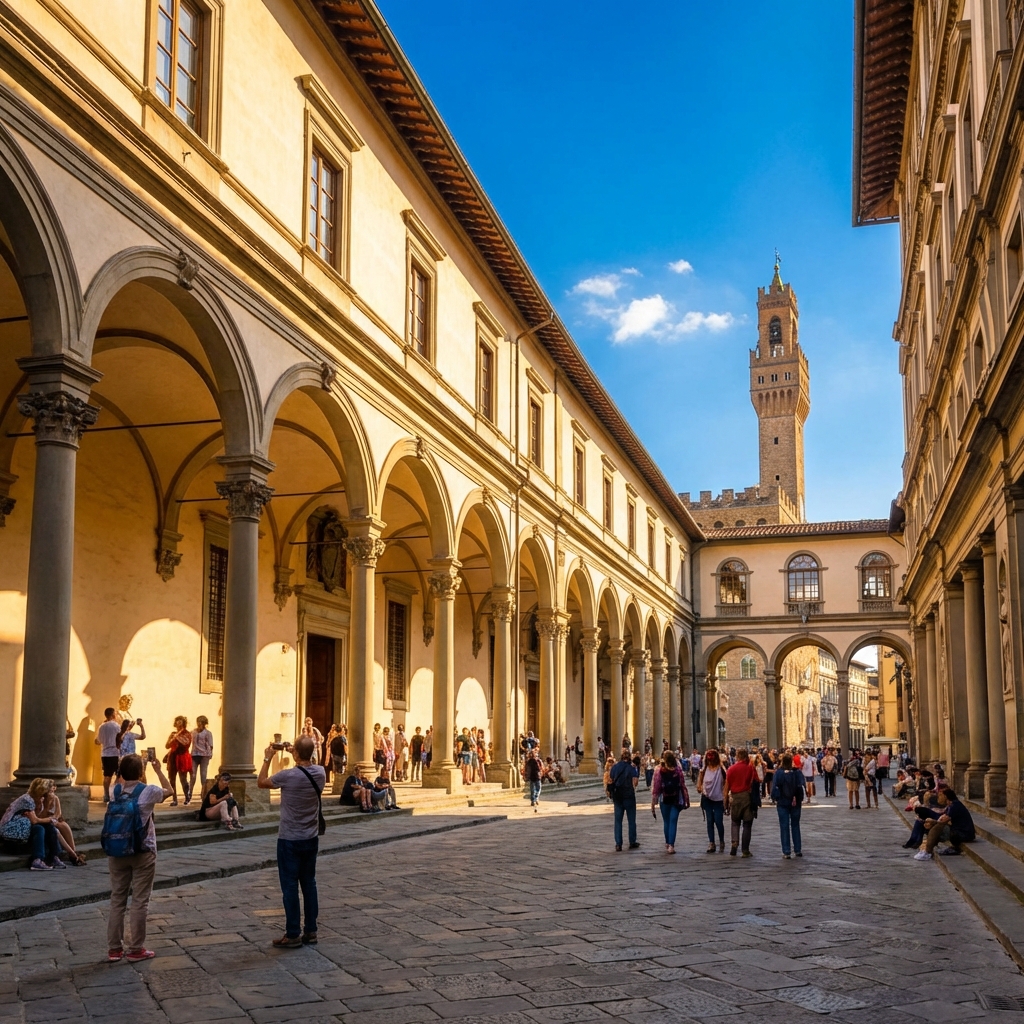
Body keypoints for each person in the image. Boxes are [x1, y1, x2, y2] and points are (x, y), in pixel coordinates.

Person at [258, 735, 325, 948]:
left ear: (295, 753)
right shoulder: (321, 773)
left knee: (289, 887)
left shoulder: (287, 776)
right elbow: (307, 761)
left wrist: (268, 758)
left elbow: (261, 782)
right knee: (309, 884)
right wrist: (296, 751)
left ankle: (293, 933)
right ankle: (311, 931)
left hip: (289, 838)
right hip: (311, 837)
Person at [105, 752, 172, 962]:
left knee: (117, 899)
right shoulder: (149, 791)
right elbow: (169, 790)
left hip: (117, 850)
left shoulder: (113, 791)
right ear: (141, 772)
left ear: (121, 772)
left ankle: (114, 949)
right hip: (143, 851)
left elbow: (119, 782)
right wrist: (158, 769)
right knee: (140, 901)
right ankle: (136, 949)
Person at [0, 778, 62, 870]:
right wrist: (49, 819)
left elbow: (40, 818)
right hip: (11, 827)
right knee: (40, 828)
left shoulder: (39, 800)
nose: (48, 794)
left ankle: (53, 856)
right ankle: (37, 860)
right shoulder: (27, 800)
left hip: (23, 826)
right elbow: (35, 821)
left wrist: (47, 806)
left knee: (48, 827)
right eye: (46, 791)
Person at [917, 787, 976, 860]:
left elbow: (943, 821)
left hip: (964, 834)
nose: (938, 797)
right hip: (960, 832)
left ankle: (928, 851)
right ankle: (927, 849)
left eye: (940, 795)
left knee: (937, 827)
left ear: (945, 796)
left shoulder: (955, 806)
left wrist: (933, 822)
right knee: (933, 825)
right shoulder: (951, 805)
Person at [41, 779, 87, 865]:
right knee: (57, 827)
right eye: (50, 788)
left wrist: (55, 818)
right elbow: (42, 814)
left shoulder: (56, 798)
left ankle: (73, 851)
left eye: (53, 787)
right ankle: (73, 854)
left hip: (55, 819)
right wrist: (48, 805)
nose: (52, 789)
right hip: (46, 819)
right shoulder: (42, 799)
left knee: (64, 825)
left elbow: (58, 813)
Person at [724, 747, 758, 857]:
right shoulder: (750, 768)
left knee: (735, 822)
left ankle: (734, 844)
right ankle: (745, 850)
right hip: (746, 796)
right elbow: (756, 781)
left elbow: (727, 787)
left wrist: (725, 801)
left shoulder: (731, 769)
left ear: (737, 756)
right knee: (747, 824)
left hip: (735, 797)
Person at [771, 753, 805, 858]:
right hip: (795, 801)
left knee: (784, 826)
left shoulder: (779, 773)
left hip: (782, 802)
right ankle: (798, 849)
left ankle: (786, 851)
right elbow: (802, 784)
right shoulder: (797, 772)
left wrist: (774, 798)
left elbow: (774, 787)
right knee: (795, 825)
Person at [651, 751, 686, 854]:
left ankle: (667, 843)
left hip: (664, 798)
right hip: (675, 798)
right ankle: (671, 845)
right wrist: (684, 798)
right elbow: (682, 785)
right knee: (673, 821)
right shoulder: (678, 770)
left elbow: (656, 788)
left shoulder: (658, 770)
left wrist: (654, 801)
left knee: (666, 821)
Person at [608, 749, 640, 851]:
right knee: (631, 820)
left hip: (617, 796)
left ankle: (618, 843)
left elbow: (610, 780)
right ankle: (632, 841)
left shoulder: (615, 767)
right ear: (629, 757)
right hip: (629, 795)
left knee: (618, 821)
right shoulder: (631, 768)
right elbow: (635, 782)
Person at [698, 748, 727, 854]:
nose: (710, 762)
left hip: (718, 799)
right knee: (710, 820)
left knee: (719, 821)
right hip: (707, 798)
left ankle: (722, 841)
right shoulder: (705, 768)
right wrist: (699, 787)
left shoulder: (721, 769)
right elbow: (700, 779)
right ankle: (711, 843)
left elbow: (726, 781)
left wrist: (726, 795)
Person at [164, 716, 193, 806]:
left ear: (183, 723)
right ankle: (174, 799)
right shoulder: (173, 733)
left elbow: (186, 743)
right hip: (172, 757)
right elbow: (167, 746)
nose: (178, 723)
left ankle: (187, 797)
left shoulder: (187, 733)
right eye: (177, 721)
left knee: (183, 779)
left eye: (180, 721)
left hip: (182, 757)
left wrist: (177, 738)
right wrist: (172, 739)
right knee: (172, 779)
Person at [95, 707, 121, 804]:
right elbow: (120, 738)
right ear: (113, 715)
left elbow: (98, 741)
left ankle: (106, 795)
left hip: (105, 754)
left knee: (107, 775)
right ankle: (115, 793)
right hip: (114, 753)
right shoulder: (116, 726)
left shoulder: (101, 726)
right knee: (118, 775)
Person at [190, 715, 213, 796]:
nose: (199, 724)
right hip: (194, 754)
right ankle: (189, 793)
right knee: (193, 775)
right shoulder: (193, 732)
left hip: (204, 755)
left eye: (201, 722)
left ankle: (203, 793)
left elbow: (210, 745)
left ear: (204, 723)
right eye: (198, 722)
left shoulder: (208, 733)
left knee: (203, 775)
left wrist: (210, 754)